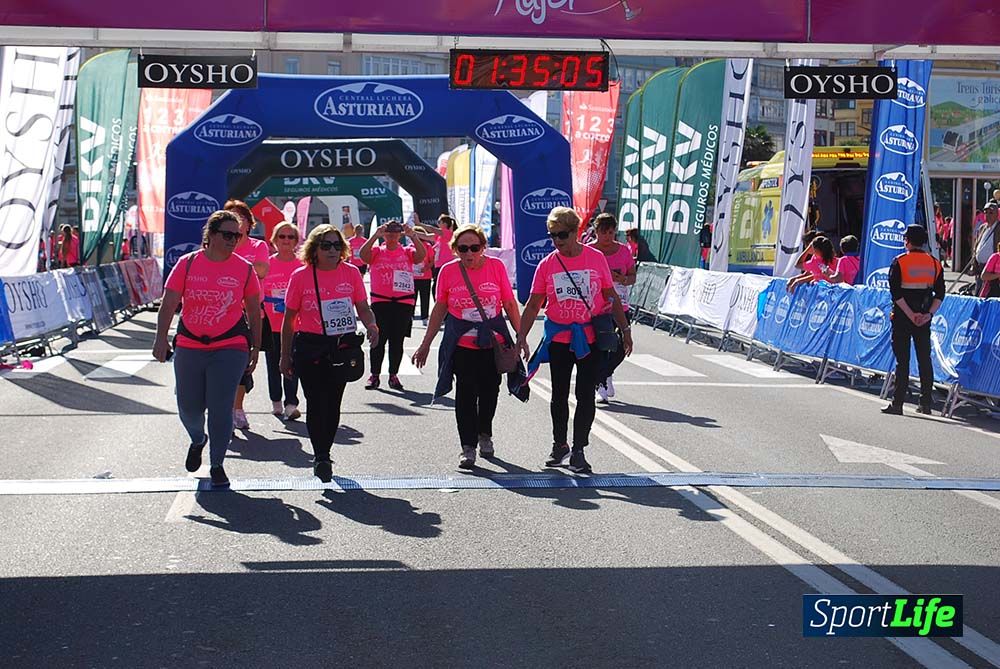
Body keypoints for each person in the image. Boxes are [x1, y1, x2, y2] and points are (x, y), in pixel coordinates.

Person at [516, 207, 633, 474]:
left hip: (589, 337)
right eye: (552, 235)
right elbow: (534, 305)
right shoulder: (547, 264)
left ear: (576, 232)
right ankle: (560, 444)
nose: (557, 241)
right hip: (558, 337)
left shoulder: (595, 258)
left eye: (563, 235)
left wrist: (625, 330)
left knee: (585, 396)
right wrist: (521, 337)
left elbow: (610, 296)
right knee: (558, 395)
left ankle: (579, 450)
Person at [152, 210, 263, 488]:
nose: (233, 240)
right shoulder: (187, 264)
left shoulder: (245, 269)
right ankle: (198, 439)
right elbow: (168, 305)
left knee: (220, 407)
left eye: (237, 235)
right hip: (190, 343)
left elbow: (253, 310)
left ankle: (217, 464)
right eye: (227, 235)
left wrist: (255, 347)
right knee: (188, 407)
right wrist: (160, 338)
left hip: (230, 345)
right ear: (210, 235)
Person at [412, 224, 524, 469]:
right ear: (455, 250)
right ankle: (468, 447)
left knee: (489, 393)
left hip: (492, 345)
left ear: (483, 248)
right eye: (463, 248)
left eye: (474, 247)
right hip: (462, 346)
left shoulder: (496, 267)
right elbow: (440, 307)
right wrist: (425, 343)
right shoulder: (449, 272)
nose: (469, 253)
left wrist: (521, 336)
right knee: (464, 395)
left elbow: (509, 303)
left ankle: (485, 434)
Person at [280, 225, 378, 482]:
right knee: (315, 401)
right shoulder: (301, 276)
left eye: (337, 245)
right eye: (326, 245)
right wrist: (284, 355)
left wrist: (371, 325)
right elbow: (289, 319)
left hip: (341, 346)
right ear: (315, 249)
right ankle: (320, 455)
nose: (333, 250)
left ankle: (325, 451)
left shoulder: (351, 273)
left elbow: (363, 306)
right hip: (310, 345)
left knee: (333, 402)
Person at [882, 225, 944, 416]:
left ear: (907, 240)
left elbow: (896, 293)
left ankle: (898, 403)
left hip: (903, 317)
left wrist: (910, 314)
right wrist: (928, 315)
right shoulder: (935, 263)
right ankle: (925, 403)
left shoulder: (899, 261)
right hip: (924, 317)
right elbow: (940, 293)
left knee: (903, 361)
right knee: (925, 359)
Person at [359, 218, 426, 390]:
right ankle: (374, 375)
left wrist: (413, 236)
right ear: (384, 235)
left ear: (399, 235)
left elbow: (421, 256)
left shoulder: (407, 251)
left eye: (395, 233)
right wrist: (375, 235)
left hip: (403, 303)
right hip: (381, 301)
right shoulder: (377, 252)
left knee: (397, 341)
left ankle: (393, 375)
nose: (391, 236)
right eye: (388, 233)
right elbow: (362, 255)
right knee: (378, 340)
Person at [224, 199, 270, 431]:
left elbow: (262, 270)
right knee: (223, 364)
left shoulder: (257, 246)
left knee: (243, 364)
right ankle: (222, 407)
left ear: (248, 224)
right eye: (230, 216)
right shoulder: (218, 244)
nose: (236, 221)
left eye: (240, 217)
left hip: (248, 312)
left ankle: (237, 407)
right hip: (222, 311)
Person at [588, 213, 636, 403]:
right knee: (600, 346)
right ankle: (600, 383)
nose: (606, 237)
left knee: (621, 346)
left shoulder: (623, 251)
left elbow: (632, 276)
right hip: (598, 306)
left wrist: (622, 279)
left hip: (620, 305)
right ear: (596, 231)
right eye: (602, 232)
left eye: (610, 232)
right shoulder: (589, 250)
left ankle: (605, 374)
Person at [262, 222, 304, 420]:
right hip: (271, 324)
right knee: (272, 366)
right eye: (282, 236)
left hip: (295, 325)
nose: (286, 240)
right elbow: (258, 293)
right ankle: (276, 402)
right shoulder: (267, 264)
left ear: (296, 241)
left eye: (290, 237)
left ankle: (291, 403)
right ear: (274, 240)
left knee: (291, 365)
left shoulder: (302, 265)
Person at [411, 225, 436, 325]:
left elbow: (432, 260)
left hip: (425, 276)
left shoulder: (427, 246)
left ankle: (424, 317)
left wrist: (426, 267)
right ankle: (410, 316)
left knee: (425, 297)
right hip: (412, 277)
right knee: (412, 297)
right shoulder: (410, 246)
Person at [973, 203, 999, 294]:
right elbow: (977, 244)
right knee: (978, 293)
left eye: (991, 213)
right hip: (980, 267)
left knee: (989, 294)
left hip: (992, 270)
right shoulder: (982, 228)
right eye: (986, 212)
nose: (987, 215)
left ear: (997, 214)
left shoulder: (999, 228)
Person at [431, 214, 457, 294]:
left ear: (445, 224)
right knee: (437, 286)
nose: (438, 224)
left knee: (439, 286)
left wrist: (419, 224)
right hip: (438, 265)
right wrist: (413, 234)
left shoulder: (447, 233)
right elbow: (425, 236)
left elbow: (432, 229)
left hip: (445, 264)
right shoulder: (439, 236)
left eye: (439, 222)